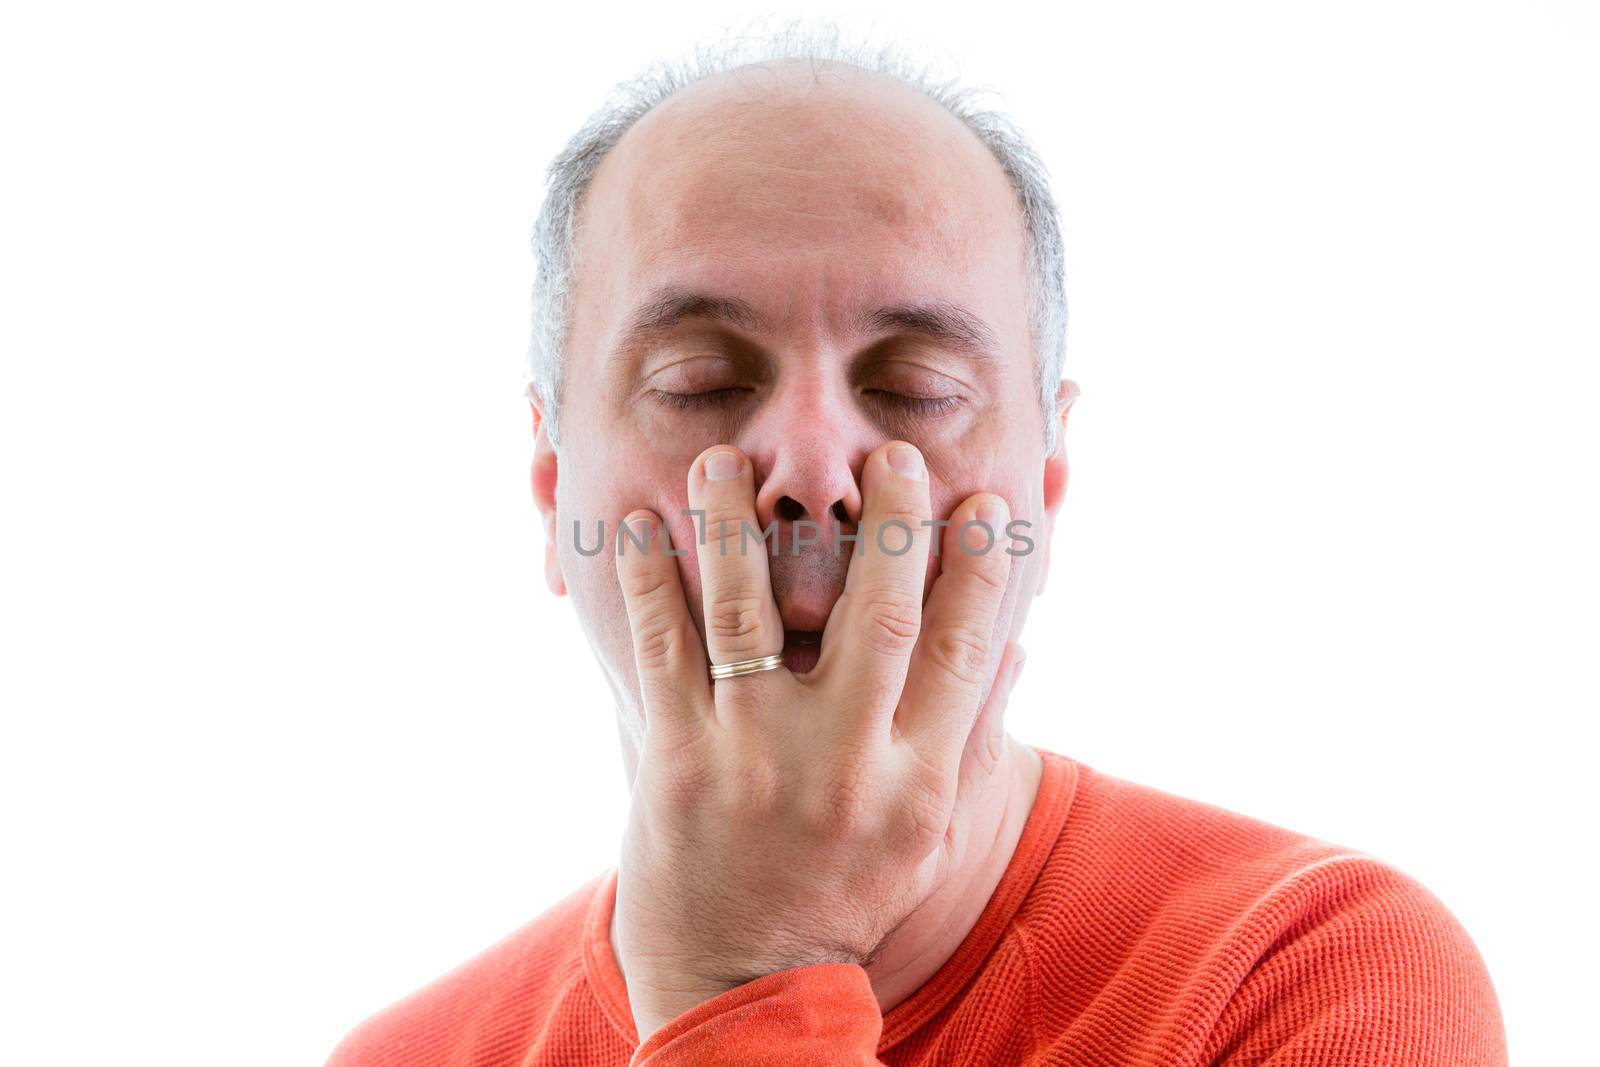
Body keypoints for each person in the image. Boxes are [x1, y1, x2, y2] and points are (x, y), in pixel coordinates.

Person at [324, 22, 1507, 1066]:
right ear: (550, 488)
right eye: (698, 381)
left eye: (916, 386)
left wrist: (741, 979)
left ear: (1043, 490)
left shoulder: (1313, 972)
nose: (809, 469)